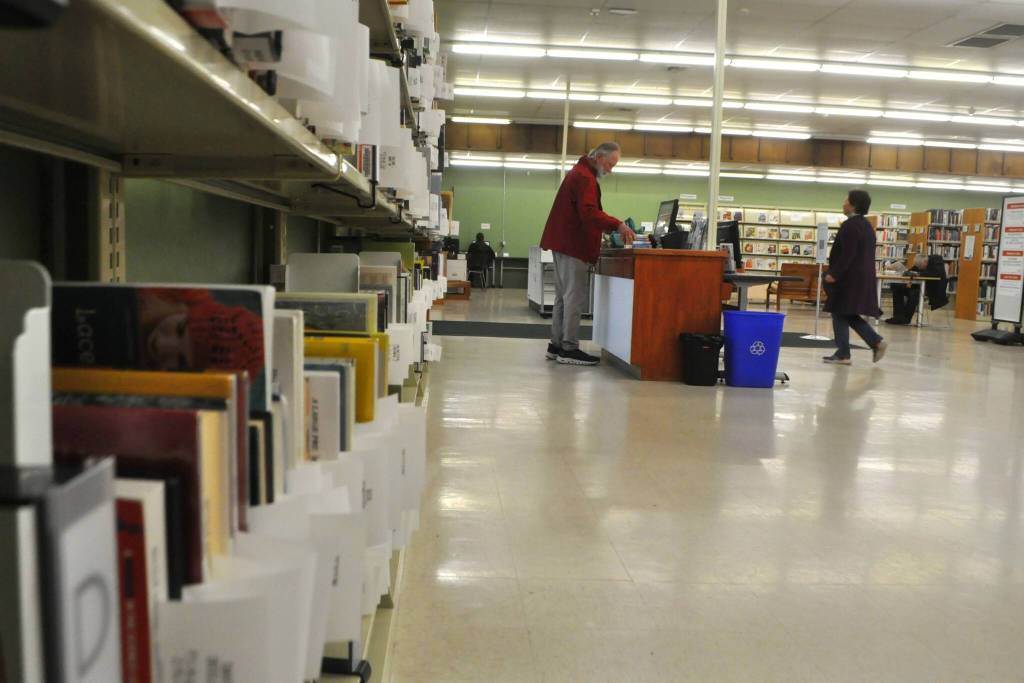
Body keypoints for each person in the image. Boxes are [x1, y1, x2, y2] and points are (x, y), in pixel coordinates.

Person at [539, 142, 637, 366]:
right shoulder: (585, 178)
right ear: (599, 157)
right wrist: (618, 225)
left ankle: (556, 345)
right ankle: (569, 348)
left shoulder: (579, 173)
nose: (611, 170)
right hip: (573, 246)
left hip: (562, 243)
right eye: (611, 164)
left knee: (563, 298)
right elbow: (589, 213)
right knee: (574, 298)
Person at [822, 190, 888, 365]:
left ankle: (844, 353)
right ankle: (874, 342)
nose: (843, 203)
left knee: (838, 311)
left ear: (853, 205)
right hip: (861, 277)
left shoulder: (850, 226)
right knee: (845, 313)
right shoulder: (866, 226)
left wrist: (834, 274)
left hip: (848, 279)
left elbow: (848, 253)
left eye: (846, 200)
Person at [885, 254, 948, 325]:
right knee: (896, 288)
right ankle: (898, 317)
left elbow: (937, 273)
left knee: (914, 293)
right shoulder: (920, 263)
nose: (919, 268)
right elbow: (911, 271)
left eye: (920, 266)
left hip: (931, 289)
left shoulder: (937, 259)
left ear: (925, 262)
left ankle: (906, 319)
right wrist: (908, 272)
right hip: (919, 286)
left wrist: (918, 274)